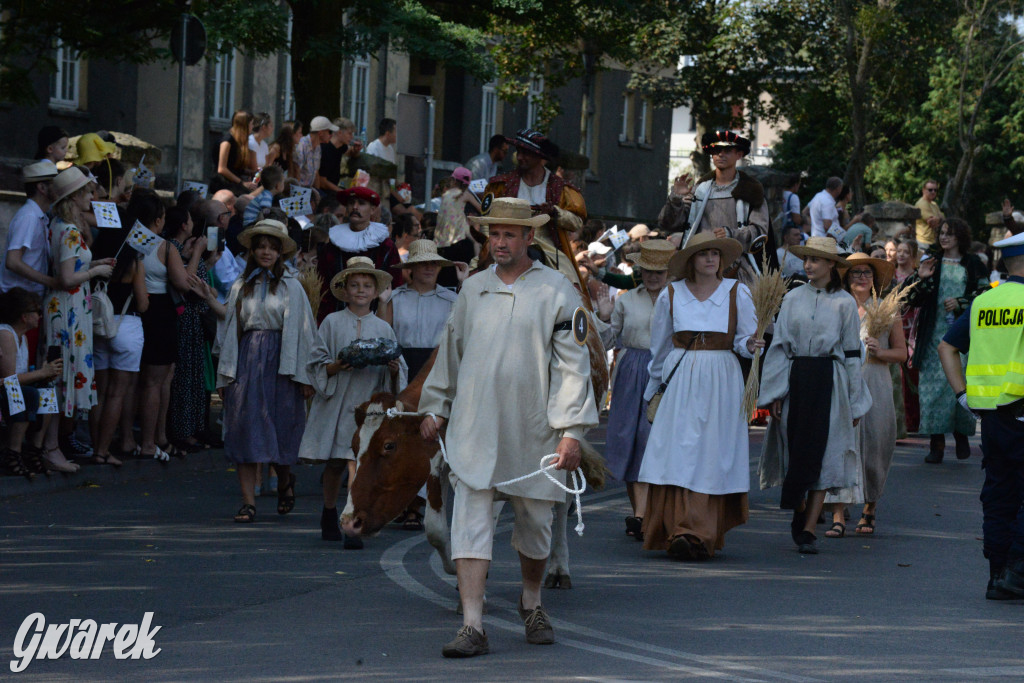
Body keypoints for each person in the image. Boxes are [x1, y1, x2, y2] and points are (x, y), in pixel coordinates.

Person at [418, 197, 598, 657]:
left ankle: (531, 601)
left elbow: (573, 367)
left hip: (534, 430)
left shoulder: (558, 290)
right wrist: (436, 406)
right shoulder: (473, 289)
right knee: (470, 525)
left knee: (536, 527)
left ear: (528, 238)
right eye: (494, 233)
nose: (499, 241)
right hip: (476, 426)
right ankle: (473, 625)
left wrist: (572, 431)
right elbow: (451, 352)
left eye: (509, 234)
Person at [639, 233, 760, 559]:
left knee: (711, 450)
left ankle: (699, 532)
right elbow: (660, 347)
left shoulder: (738, 292)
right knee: (679, 450)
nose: (711, 259)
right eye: (703, 253)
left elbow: (744, 338)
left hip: (722, 379)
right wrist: (653, 388)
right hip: (681, 379)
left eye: (715, 254)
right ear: (691, 260)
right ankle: (678, 527)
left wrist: (749, 345)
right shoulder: (671, 294)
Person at [758, 236, 872, 554]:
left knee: (826, 452)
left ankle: (808, 528)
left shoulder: (845, 303)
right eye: (806, 259)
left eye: (816, 260)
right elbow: (780, 345)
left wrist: (855, 398)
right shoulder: (793, 297)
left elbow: (852, 353)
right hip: (797, 378)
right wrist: (776, 392)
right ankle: (799, 511)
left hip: (830, 380)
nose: (809, 265)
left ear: (832, 265)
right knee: (795, 450)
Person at [937, 231, 1024, 599]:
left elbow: (946, 347)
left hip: (991, 417)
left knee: (999, 493)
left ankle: (997, 574)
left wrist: (962, 396)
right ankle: (1017, 572)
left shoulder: (984, 302)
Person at [299, 257, 404, 545]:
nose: (360, 290)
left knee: (355, 462)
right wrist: (335, 366)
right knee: (335, 463)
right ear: (344, 291)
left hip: (367, 405)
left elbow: (396, 367)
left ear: (374, 292)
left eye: (366, 286)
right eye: (355, 285)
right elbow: (316, 361)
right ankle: (329, 509)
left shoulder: (383, 328)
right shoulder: (332, 323)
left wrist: (394, 371)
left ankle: (352, 520)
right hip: (338, 401)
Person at [217, 219, 316, 523]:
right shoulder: (240, 285)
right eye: (260, 247)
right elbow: (230, 328)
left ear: (280, 253)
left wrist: (306, 375)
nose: (265, 252)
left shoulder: (292, 287)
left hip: (282, 363)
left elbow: (304, 331)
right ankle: (248, 502)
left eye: (272, 248)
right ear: (252, 250)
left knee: (281, 428)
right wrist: (226, 372)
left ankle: (285, 481)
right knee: (246, 429)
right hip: (247, 360)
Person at [823, 254, 906, 538]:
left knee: (875, 446)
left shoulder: (886, 309)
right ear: (846, 277)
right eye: (855, 272)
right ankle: (837, 514)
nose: (861, 277)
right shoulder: (836, 306)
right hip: (842, 380)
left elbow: (902, 353)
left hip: (876, 378)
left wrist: (879, 351)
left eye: (867, 273)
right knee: (841, 446)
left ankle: (869, 507)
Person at [43, 167, 116, 470]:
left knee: (60, 378)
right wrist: (96, 271)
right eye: (86, 192)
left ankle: (48, 445)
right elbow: (67, 277)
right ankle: (49, 447)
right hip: (68, 310)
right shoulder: (69, 230)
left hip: (68, 307)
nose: (91, 196)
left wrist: (94, 262)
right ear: (72, 197)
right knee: (61, 378)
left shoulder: (59, 225)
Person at [603, 240, 673, 540]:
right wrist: (599, 317)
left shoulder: (679, 298)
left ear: (669, 271)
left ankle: (648, 515)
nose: (653, 276)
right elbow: (609, 338)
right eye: (647, 270)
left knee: (651, 442)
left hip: (667, 370)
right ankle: (641, 514)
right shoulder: (626, 299)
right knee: (627, 440)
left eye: (659, 270)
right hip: (631, 368)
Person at [903, 219, 989, 463]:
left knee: (959, 385)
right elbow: (910, 296)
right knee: (931, 390)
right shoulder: (930, 259)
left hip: (961, 336)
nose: (944, 237)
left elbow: (985, 293)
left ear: (960, 237)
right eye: (941, 233)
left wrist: (961, 302)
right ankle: (936, 443)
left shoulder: (973, 263)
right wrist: (921, 277)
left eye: (949, 234)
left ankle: (961, 435)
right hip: (932, 335)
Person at [135, 192, 202, 462]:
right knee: (156, 381)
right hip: (161, 311)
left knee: (145, 381)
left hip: (141, 311)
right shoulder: (164, 247)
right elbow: (184, 283)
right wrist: (195, 255)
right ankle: (151, 440)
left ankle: (151, 438)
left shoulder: (133, 242)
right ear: (159, 220)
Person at [485, 129, 588, 293]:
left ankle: (572, 316)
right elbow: (487, 219)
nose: (519, 157)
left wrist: (555, 213)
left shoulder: (560, 187)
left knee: (572, 286)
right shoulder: (502, 185)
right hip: (506, 243)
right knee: (472, 275)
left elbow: (576, 223)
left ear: (540, 157)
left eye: (526, 153)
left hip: (548, 247)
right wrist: (490, 243)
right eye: (518, 152)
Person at [667, 131, 774, 284]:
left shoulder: (751, 190)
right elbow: (672, 223)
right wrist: (676, 199)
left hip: (736, 270)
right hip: (698, 268)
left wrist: (731, 234)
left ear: (739, 154)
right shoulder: (699, 190)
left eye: (727, 150)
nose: (720, 155)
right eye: (716, 151)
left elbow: (760, 233)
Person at [89, 221, 149, 466]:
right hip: (127, 326)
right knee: (117, 393)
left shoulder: (96, 261)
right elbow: (143, 303)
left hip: (98, 325)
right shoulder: (134, 264)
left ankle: (95, 446)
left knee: (99, 393)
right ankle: (103, 450)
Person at [1, 162, 60, 362]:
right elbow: (13, 261)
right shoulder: (29, 217)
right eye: (55, 183)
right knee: (17, 367)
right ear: (42, 188)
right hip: (19, 305)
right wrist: (50, 281)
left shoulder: (38, 216)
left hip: (27, 302)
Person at [0, 288, 62, 477]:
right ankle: (13, 452)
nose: (40, 316)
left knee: (46, 392)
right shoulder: (6, 334)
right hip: (5, 388)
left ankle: (34, 449)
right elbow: (8, 380)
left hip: (10, 388)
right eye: (37, 311)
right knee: (25, 394)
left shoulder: (22, 338)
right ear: (24, 316)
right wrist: (42, 372)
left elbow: (21, 376)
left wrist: (44, 375)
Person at [316, 187, 402, 320]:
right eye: (351, 203)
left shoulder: (386, 246)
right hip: (337, 319)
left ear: (372, 209)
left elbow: (395, 286)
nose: (355, 207)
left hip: (375, 320)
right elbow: (322, 286)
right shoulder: (332, 245)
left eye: (361, 203)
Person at [383, 240, 459, 380]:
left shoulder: (452, 300)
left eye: (433, 263)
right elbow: (382, 334)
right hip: (400, 366)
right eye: (423, 263)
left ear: (439, 267)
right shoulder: (394, 298)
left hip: (438, 366)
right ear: (411, 266)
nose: (429, 268)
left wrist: (463, 285)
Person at [894, 238, 921, 433]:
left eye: (905, 251)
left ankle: (913, 419)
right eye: (899, 251)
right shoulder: (890, 276)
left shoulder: (917, 277)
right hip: (895, 326)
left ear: (913, 256)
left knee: (911, 375)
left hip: (911, 328)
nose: (901, 254)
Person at [317, 117, 361, 195]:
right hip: (322, 191)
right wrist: (341, 191)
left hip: (333, 189)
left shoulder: (341, 146)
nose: (352, 137)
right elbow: (322, 182)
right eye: (349, 133)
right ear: (340, 133)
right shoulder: (324, 149)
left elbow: (350, 152)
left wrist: (355, 150)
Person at [295, 116, 337, 189]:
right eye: (329, 132)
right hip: (299, 190)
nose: (331, 135)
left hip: (309, 190)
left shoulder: (318, 147)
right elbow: (296, 170)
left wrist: (317, 192)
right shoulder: (303, 145)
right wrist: (300, 194)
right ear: (320, 133)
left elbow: (316, 172)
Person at [914, 179, 944, 249]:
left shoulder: (934, 204)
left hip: (932, 242)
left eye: (935, 190)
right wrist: (940, 219)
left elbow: (943, 220)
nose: (933, 192)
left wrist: (939, 220)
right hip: (923, 243)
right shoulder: (922, 204)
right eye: (930, 190)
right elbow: (932, 222)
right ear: (923, 190)